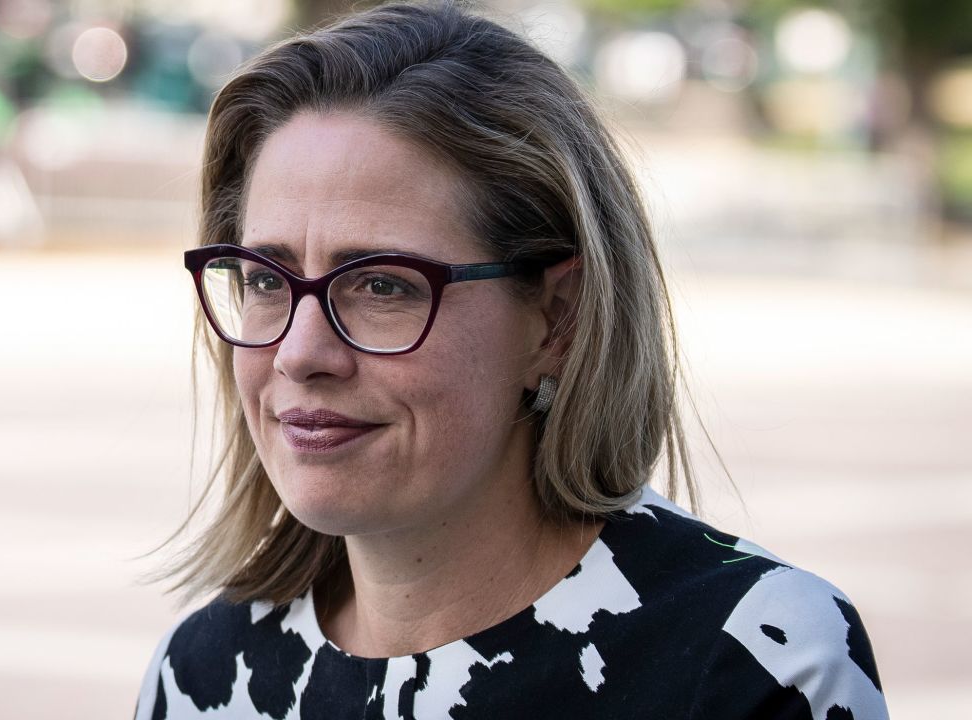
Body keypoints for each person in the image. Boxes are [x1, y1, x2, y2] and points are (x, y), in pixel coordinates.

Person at [135, 2, 888, 718]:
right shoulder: (202, 675)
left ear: (556, 319)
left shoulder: (750, 662)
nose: (301, 353)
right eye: (267, 281)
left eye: (382, 285)